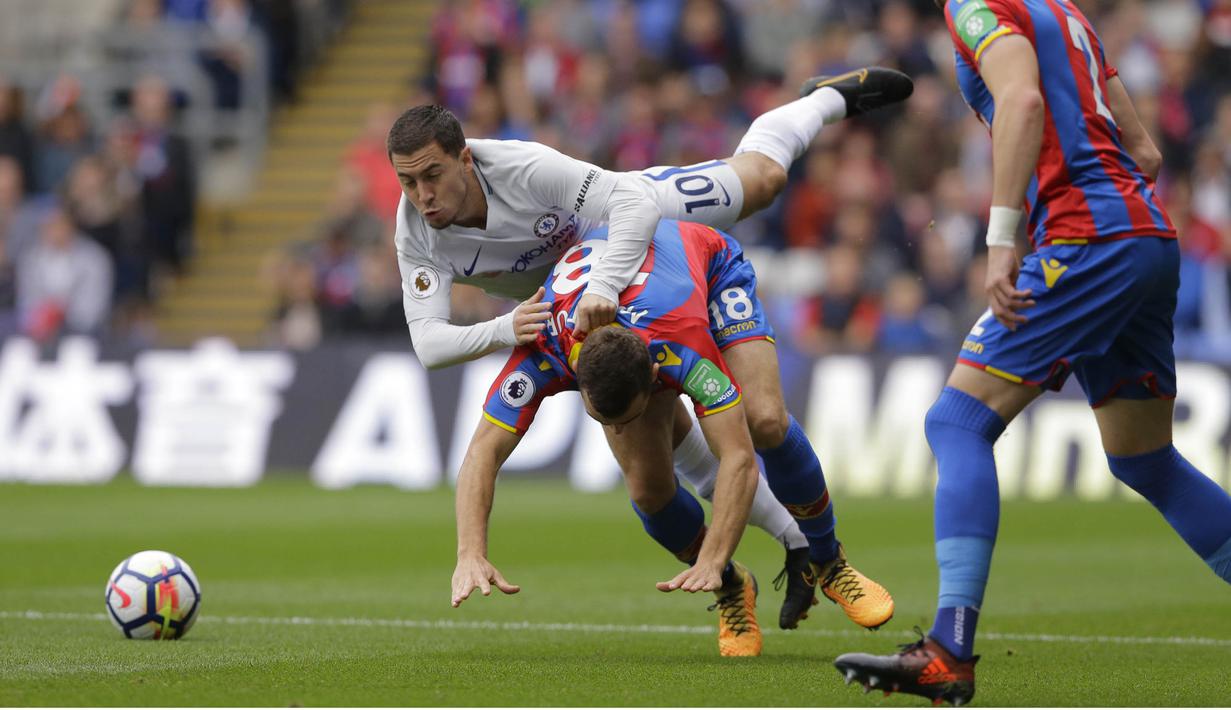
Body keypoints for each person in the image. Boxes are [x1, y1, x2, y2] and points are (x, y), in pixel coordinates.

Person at [391, 69, 912, 628]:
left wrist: (603, 288)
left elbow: (633, 203)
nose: (422, 196)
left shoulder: (521, 168)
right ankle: (752, 571)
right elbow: (429, 344)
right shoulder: (415, 235)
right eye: (406, 183)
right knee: (650, 480)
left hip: (639, 234)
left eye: (432, 176)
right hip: (574, 314)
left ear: (465, 160)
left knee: (763, 181)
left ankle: (824, 99)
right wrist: (505, 327)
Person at [832, 1, 1231, 705]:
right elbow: (1144, 153)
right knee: (1145, 460)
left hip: (1086, 238)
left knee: (956, 422)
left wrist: (1002, 238)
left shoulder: (978, 5)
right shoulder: (1062, 11)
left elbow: (1019, 100)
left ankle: (947, 650)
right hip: (1140, 235)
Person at [451, 219, 894, 657]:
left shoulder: (683, 343)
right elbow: (481, 451)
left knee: (764, 422)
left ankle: (828, 559)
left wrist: (713, 554)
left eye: (628, 417)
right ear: (576, 378)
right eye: (606, 419)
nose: (619, 430)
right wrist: (471, 551)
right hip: (619, 304)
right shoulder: (542, 349)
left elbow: (738, 459)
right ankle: (733, 587)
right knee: (647, 491)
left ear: (657, 377)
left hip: (708, 271)